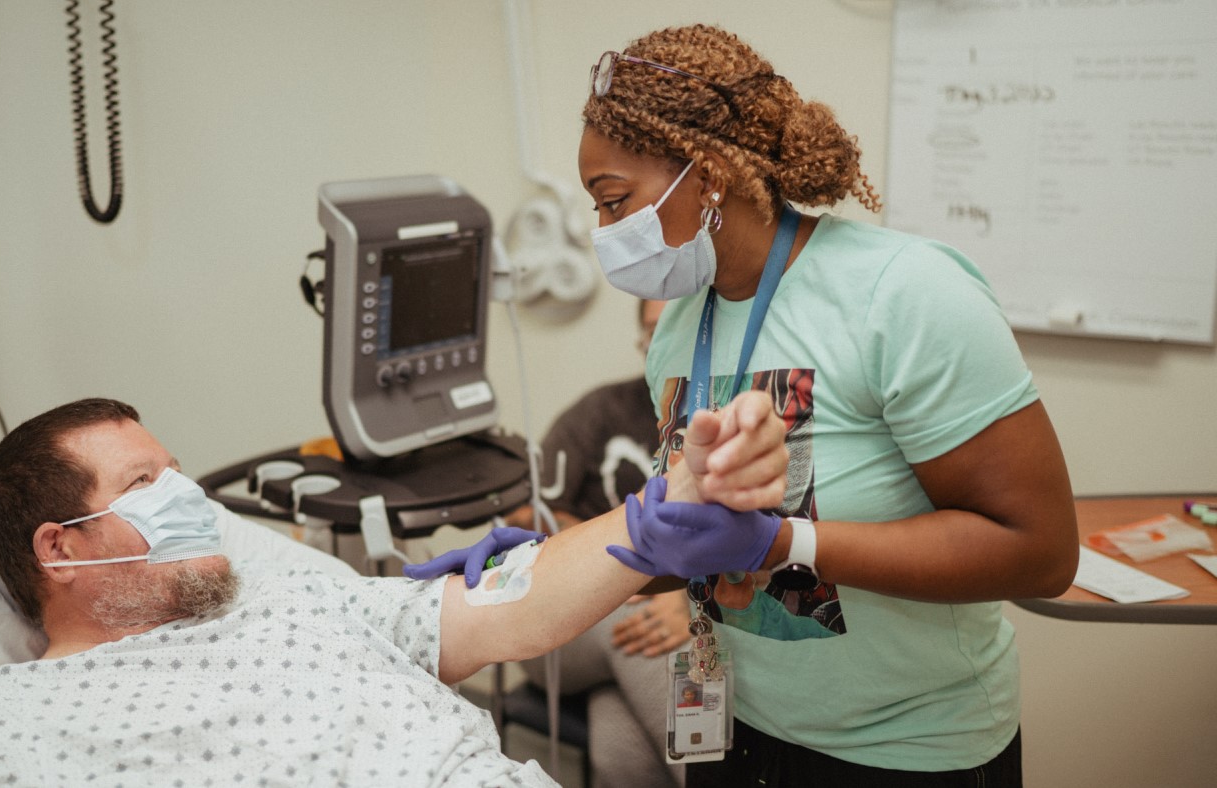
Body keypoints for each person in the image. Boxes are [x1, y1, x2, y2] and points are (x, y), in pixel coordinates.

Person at [429, 23, 1078, 787]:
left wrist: (786, 545)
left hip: (905, 751)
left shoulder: (902, 295)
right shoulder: (679, 329)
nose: (603, 232)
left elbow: (1039, 551)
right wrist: (547, 560)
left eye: (614, 202)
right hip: (734, 732)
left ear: (707, 175)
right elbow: (698, 541)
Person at [0, 395, 788, 786]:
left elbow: (517, 608)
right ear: (59, 549)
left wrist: (661, 510)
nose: (190, 498)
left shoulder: (295, 599)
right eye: (143, 488)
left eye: (179, 474)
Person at [507, 298, 690, 788]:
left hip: (655, 630)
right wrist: (623, 568)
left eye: (680, 321)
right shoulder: (600, 413)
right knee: (637, 618)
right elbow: (525, 519)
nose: (665, 338)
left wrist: (686, 601)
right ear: (640, 342)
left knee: (622, 750)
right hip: (563, 623)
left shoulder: (721, 420)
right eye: (654, 327)